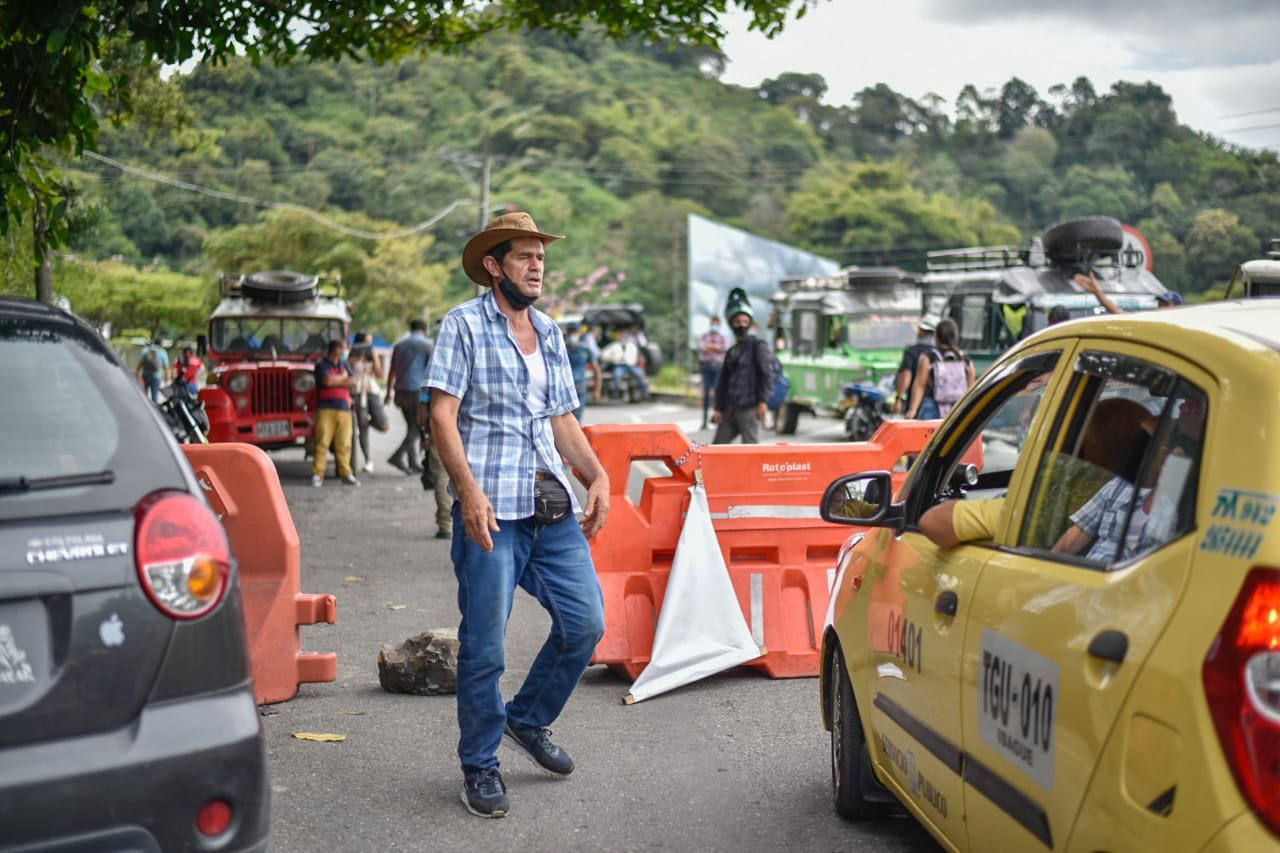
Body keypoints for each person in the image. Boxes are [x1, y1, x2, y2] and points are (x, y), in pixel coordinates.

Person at [426, 212, 608, 819]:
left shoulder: (551, 333)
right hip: (491, 513)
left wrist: (597, 475)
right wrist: (467, 491)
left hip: (550, 506)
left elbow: (561, 420)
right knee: (485, 647)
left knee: (584, 624)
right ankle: (480, 766)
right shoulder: (464, 325)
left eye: (541, 258)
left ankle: (527, 720)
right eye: (525, 257)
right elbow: (442, 417)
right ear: (493, 265)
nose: (537, 267)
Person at [712, 302, 776, 445]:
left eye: (745, 321)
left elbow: (767, 375)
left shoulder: (757, 347)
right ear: (731, 324)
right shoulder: (732, 351)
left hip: (750, 408)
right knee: (717, 449)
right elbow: (723, 381)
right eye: (737, 322)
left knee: (750, 451)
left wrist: (763, 401)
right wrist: (719, 408)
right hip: (730, 409)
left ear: (750, 324)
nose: (741, 325)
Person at [386, 319, 433, 475]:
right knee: (416, 426)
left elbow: (392, 370)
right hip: (416, 391)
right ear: (424, 330)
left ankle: (413, 463)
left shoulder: (399, 345)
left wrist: (388, 392)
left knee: (411, 426)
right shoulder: (427, 345)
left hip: (400, 391)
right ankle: (398, 456)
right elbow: (430, 371)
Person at [905, 318, 975, 419]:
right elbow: (971, 391)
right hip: (957, 409)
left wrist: (913, 410)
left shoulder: (929, 357)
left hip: (933, 407)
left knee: (929, 434)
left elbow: (920, 384)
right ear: (956, 336)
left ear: (936, 337)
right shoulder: (966, 361)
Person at [312, 339, 359, 487]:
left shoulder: (345, 364)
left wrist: (337, 380)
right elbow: (327, 382)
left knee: (345, 443)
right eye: (343, 349)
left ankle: (346, 473)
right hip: (326, 409)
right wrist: (344, 378)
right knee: (322, 443)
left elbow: (354, 381)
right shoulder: (321, 365)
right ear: (336, 350)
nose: (345, 351)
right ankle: (318, 474)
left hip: (344, 409)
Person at [350, 331, 390, 474]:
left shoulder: (372, 355)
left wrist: (374, 356)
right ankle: (368, 460)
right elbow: (349, 370)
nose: (368, 345)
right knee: (362, 428)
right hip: (357, 391)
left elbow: (380, 375)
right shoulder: (352, 355)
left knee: (384, 425)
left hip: (371, 391)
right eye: (366, 342)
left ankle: (367, 422)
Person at [891, 319, 937, 416]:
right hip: (939, 407)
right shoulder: (939, 353)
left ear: (921, 332)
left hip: (915, 405)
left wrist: (899, 399)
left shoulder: (912, 351)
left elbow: (906, 376)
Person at [697, 315, 728, 429]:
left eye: (716, 323)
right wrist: (715, 347)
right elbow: (702, 348)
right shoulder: (705, 336)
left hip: (718, 367)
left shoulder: (722, 337)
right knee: (706, 394)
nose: (714, 326)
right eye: (712, 323)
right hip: (707, 366)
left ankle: (717, 418)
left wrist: (711, 347)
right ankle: (704, 421)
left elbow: (723, 348)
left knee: (717, 393)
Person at [564, 322, 599, 422]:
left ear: (579, 333)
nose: (572, 334)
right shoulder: (562, 349)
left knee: (577, 420)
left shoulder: (585, 350)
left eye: (574, 332)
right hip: (565, 390)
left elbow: (597, 370)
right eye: (570, 332)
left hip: (580, 389)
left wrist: (597, 390)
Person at [136, 338, 170, 402]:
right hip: (156, 376)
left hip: (145, 375)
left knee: (143, 395)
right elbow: (166, 367)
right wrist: (166, 378)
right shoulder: (162, 352)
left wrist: (137, 374)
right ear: (161, 344)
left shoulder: (146, 350)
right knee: (154, 397)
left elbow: (140, 363)